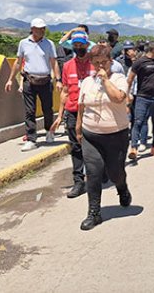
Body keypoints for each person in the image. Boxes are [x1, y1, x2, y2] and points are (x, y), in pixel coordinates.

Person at [75, 45, 132, 230]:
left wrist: (106, 80)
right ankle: (94, 213)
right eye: (96, 63)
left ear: (111, 62)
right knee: (93, 173)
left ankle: (121, 186)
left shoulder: (119, 78)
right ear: (91, 63)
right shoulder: (86, 82)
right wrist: (78, 128)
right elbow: (81, 106)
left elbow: (118, 98)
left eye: (104, 62)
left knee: (115, 172)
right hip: (91, 135)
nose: (100, 66)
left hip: (116, 135)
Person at [51, 31, 97, 199]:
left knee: (95, 145)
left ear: (87, 45)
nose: (78, 47)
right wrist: (59, 115)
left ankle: (97, 174)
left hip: (92, 111)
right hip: (72, 110)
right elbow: (64, 90)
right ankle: (78, 182)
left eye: (81, 44)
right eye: (75, 45)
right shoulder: (68, 65)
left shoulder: (95, 64)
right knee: (76, 148)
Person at [5, 18, 61, 152]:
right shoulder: (23, 43)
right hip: (29, 81)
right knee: (30, 111)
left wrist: (58, 79)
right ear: (32, 29)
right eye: (39, 28)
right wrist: (10, 79)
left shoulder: (49, 44)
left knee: (48, 109)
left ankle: (49, 131)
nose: (42, 31)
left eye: (43, 28)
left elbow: (54, 62)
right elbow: (18, 62)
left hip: (45, 81)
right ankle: (31, 139)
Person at [127, 40, 154, 160]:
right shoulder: (139, 62)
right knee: (138, 122)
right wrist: (127, 94)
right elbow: (130, 79)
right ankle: (134, 147)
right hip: (142, 97)